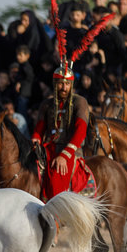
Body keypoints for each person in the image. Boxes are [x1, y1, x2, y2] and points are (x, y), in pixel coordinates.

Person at [31, 62, 90, 200]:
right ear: (54, 84)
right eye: (60, 83)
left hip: (70, 151)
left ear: (72, 85)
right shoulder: (46, 104)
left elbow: (81, 131)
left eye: (67, 84)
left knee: (57, 173)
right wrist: (35, 141)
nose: (64, 88)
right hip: (48, 148)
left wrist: (65, 155)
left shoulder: (80, 102)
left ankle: (56, 216)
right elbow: (39, 129)